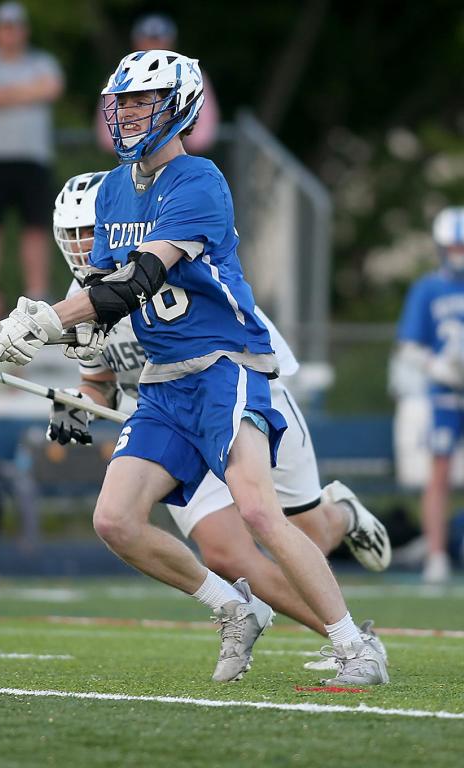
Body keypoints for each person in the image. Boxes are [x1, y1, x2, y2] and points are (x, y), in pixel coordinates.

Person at [0, 50, 388, 685]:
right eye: (122, 103)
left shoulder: (200, 182)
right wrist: (48, 343)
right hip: (165, 383)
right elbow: (98, 304)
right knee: (114, 519)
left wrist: (48, 320)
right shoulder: (114, 188)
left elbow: (138, 279)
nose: (127, 115)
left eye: (142, 102)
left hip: (224, 366)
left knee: (261, 512)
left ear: (179, 108)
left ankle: (355, 646)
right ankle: (232, 609)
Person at [48, 172, 391, 666]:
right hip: (170, 411)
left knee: (303, 530)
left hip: (243, 385)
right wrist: (77, 404)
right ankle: (349, 640)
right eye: (74, 234)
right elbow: (98, 378)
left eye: (91, 229)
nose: (84, 244)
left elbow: (149, 303)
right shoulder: (81, 295)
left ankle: (343, 516)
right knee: (228, 556)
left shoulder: (163, 249)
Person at [0, 1, 64, 331]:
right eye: (4, 27)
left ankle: (38, 297)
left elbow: (51, 88)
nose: (10, 34)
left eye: (15, 26)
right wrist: (28, 92)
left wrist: (5, 94)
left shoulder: (43, 61)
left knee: (36, 229)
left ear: (24, 30)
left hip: (33, 158)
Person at [395, 206, 464, 584]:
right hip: (445, 393)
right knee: (438, 475)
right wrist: (439, 367)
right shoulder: (429, 287)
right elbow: (409, 344)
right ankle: (436, 555)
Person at [95, 14, 219, 156]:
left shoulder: (190, 73)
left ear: (171, 43)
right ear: (136, 43)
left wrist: (171, 143)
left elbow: (202, 134)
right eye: (147, 41)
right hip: (131, 160)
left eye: (159, 42)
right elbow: (107, 136)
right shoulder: (121, 75)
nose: (153, 47)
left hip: (181, 156)